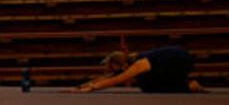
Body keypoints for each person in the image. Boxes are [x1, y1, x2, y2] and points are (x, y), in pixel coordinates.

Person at [70, 46, 203, 93]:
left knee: (147, 84)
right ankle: (185, 85)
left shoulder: (139, 63)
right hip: (172, 61)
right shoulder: (131, 63)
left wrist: (92, 88)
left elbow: (118, 79)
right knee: (146, 85)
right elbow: (109, 77)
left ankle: (190, 86)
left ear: (122, 64)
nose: (112, 70)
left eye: (113, 67)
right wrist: (82, 86)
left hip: (180, 60)